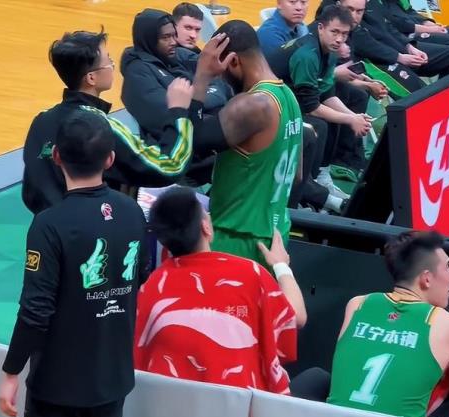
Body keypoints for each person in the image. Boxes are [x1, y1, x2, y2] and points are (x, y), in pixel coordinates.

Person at [0, 111, 150, 417]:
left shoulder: (49, 224)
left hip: (58, 388)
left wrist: (11, 371)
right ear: (110, 159)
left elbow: (35, 311)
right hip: (113, 380)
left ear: (56, 156)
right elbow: (141, 276)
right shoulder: (132, 211)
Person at [134, 186, 306, 394]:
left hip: (171, 408)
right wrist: (281, 266)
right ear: (206, 227)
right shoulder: (250, 273)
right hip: (242, 409)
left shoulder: (150, 288)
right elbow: (296, 317)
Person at [22, 29, 194, 214]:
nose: (112, 65)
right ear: (91, 78)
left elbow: (30, 192)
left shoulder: (40, 121)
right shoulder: (101, 128)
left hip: (48, 226)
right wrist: (178, 111)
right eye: (109, 61)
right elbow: (170, 165)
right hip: (98, 226)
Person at [191, 21, 303, 265]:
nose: (221, 76)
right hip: (275, 236)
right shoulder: (288, 98)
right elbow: (297, 175)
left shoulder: (253, 104)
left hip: (237, 239)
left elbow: (192, 142)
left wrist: (201, 76)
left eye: (222, 70)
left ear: (233, 61)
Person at [328, 231, 449, 417]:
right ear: (426, 279)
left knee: (318, 377)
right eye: (447, 267)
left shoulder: (358, 304)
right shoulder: (448, 324)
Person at [267, 5, 371, 199]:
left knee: (335, 118)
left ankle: (322, 175)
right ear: (321, 28)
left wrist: (353, 116)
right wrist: (350, 120)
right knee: (319, 126)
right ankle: (308, 187)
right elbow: (311, 107)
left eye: (344, 34)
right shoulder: (307, 55)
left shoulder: (330, 51)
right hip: (268, 106)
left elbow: (327, 94)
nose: (339, 39)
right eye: (335, 32)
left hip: (290, 99)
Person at [120, 9, 231, 147]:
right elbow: (174, 114)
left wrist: (197, 98)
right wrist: (204, 93)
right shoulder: (137, 74)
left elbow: (220, 80)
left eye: (174, 35)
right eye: (166, 37)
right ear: (149, 39)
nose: (173, 42)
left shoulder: (178, 54)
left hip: (203, 127)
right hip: (178, 147)